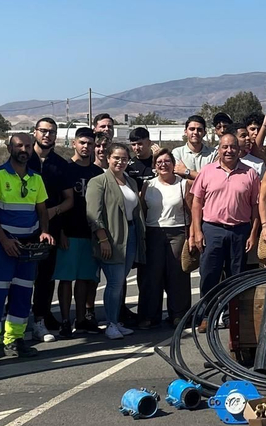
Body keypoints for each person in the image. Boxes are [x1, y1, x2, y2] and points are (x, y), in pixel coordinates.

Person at [0, 132, 54, 366]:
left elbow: (42, 209)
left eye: (28, 146)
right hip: (3, 247)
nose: (24, 149)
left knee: (22, 295)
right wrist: (4, 241)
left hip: (27, 248)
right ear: (10, 148)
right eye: (19, 145)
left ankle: (15, 339)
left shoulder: (36, 179)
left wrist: (44, 230)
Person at [190, 133, 261, 297]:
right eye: (225, 147)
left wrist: (253, 234)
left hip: (240, 231)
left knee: (236, 277)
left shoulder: (250, 173)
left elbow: (256, 206)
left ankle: (232, 318)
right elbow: (196, 203)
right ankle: (206, 316)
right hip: (212, 230)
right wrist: (197, 232)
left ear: (239, 149)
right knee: (209, 275)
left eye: (233, 147)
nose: (229, 150)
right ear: (219, 149)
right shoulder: (207, 171)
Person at [88, 143, 146, 340]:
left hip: (130, 236)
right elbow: (93, 215)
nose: (120, 162)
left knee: (120, 283)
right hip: (111, 238)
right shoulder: (98, 182)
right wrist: (103, 239)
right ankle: (110, 323)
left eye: (124, 158)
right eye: (116, 158)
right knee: (114, 282)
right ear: (108, 158)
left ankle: (116, 321)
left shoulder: (130, 181)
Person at [53, 126, 104, 334]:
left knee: (85, 278)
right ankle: (65, 320)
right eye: (82, 142)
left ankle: (81, 319)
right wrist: (61, 232)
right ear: (74, 143)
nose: (86, 147)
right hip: (69, 232)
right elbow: (59, 201)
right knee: (66, 278)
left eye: (90, 144)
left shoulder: (97, 172)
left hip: (89, 233)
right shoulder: (65, 168)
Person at [28, 117, 73, 341]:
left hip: (51, 229)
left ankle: (40, 320)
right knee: (21, 276)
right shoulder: (24, 159)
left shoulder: (61, 165)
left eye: (52, 132)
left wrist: (52, 213)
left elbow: (69, 200)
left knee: (45, 277)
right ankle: (14, 320)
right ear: (35, 132)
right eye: (43, 131)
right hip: (23, 228)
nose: (47, 135)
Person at [137, 148, 193, 328]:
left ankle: (178, 314)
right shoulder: (149, 185)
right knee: (151, 276)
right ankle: (149, 315)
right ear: (154, 166)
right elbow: (143, 212)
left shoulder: (183, 184)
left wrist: (192, 235)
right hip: (153, 233)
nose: (163, 165)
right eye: (159, 162)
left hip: (177, 232)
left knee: (178, 275)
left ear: (173, 164)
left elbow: (192, 212)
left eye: (167, 161)